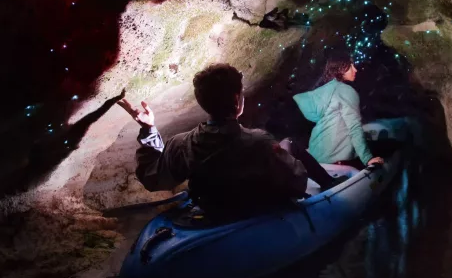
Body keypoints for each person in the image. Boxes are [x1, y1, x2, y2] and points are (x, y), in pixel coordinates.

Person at [120, 63, 310, 217]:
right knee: (289, 145)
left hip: (209, 213)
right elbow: (297, 182)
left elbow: (153, 179)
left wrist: (148, 128)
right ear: (237, 100)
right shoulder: (260, 142)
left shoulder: (182, 144)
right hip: (250, 216)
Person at [292, 51, 386, 168]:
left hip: (316, 156)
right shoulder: (346, 91)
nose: (355, 70)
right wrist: (367, 158)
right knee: (391, 144)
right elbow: (354, 127)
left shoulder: (325, 90)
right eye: (350, 66)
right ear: (340, 69)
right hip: (335, 158)